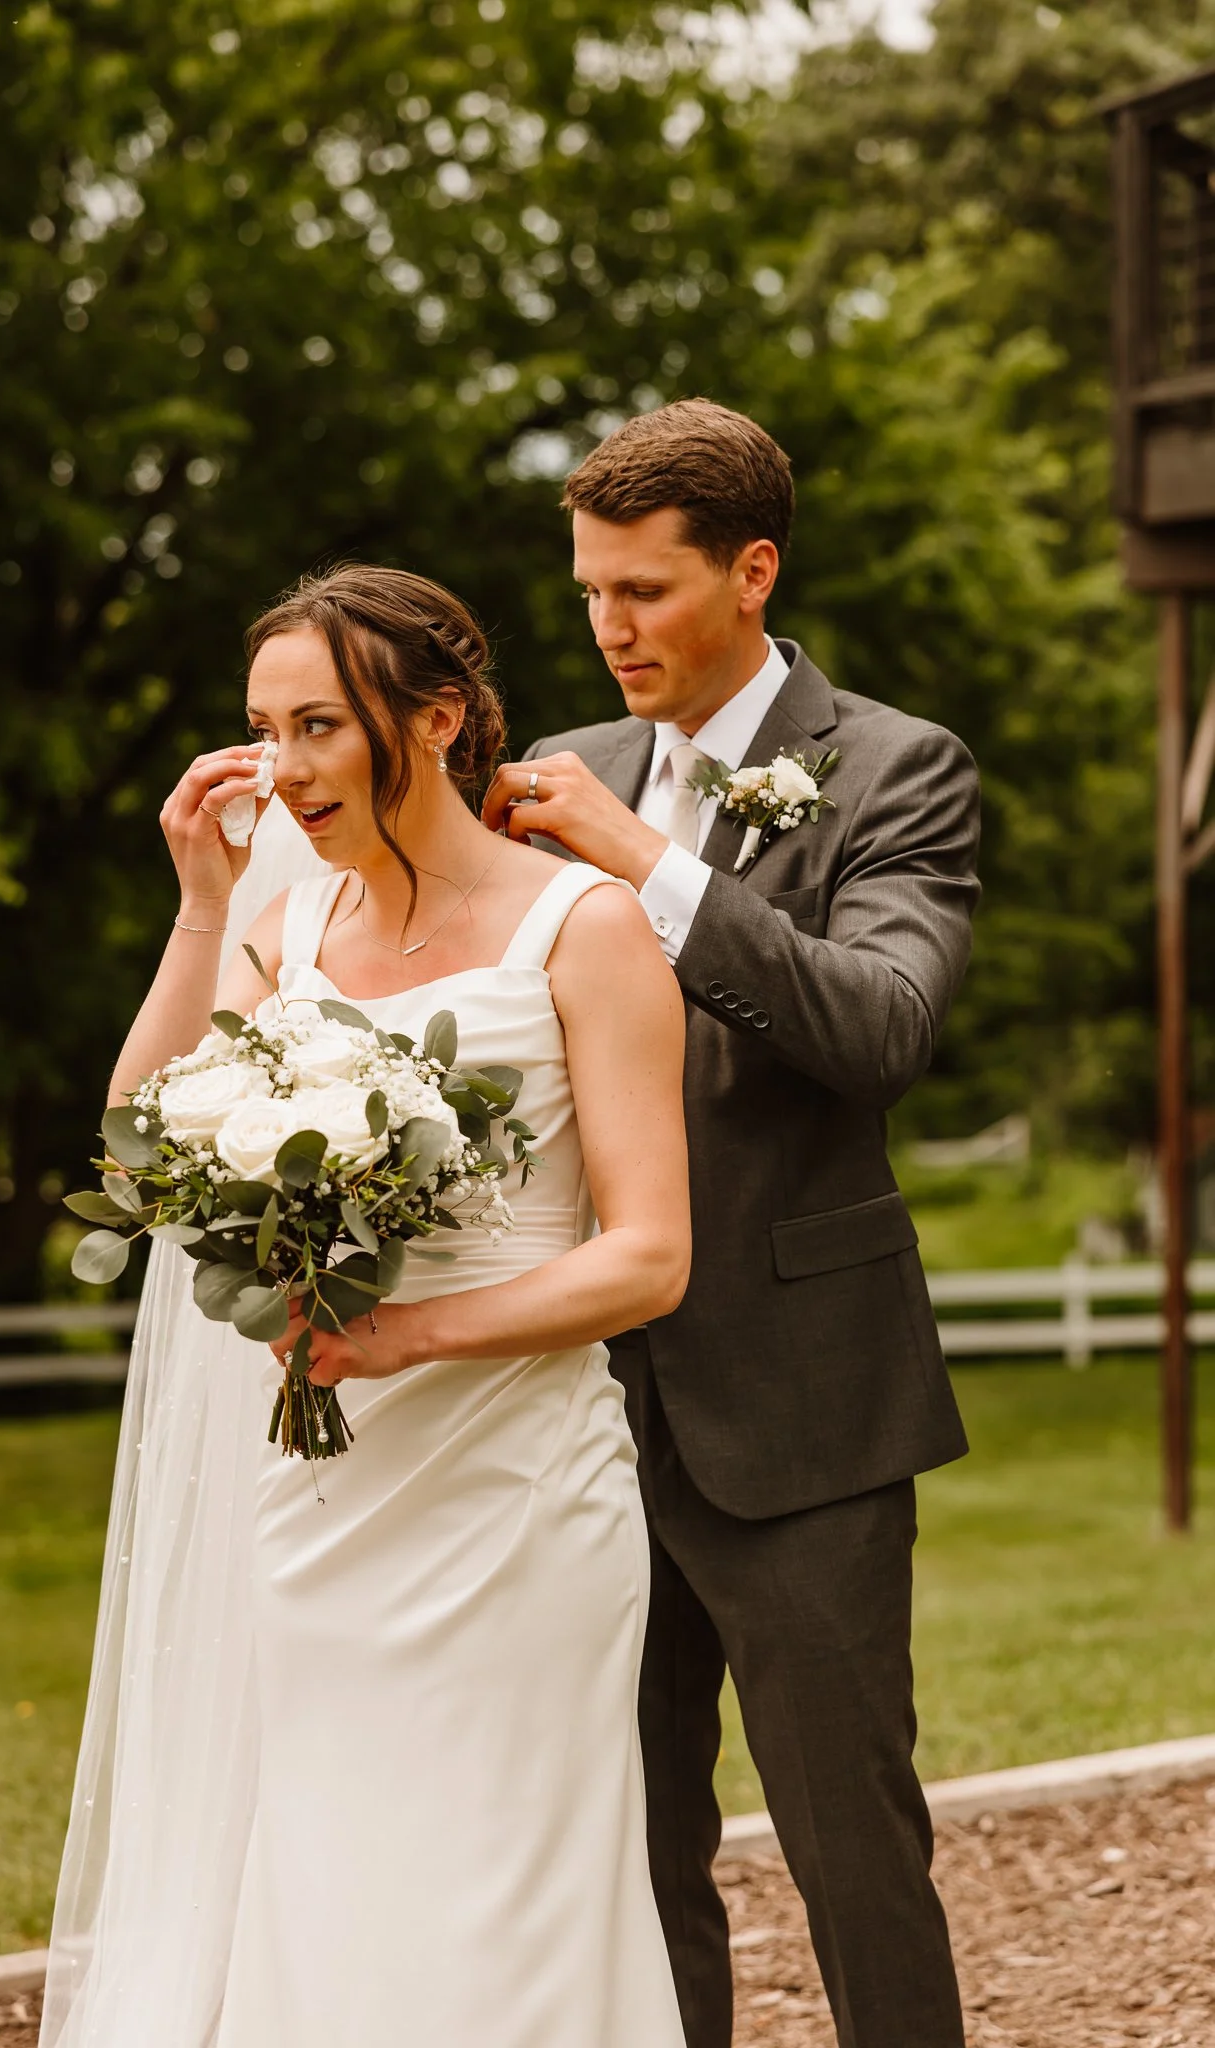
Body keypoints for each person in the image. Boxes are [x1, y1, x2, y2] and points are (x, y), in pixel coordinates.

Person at [41, 565, 691, 2048]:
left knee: (514, 1894)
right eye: (265, 730)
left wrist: (400, 1336)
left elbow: (650, 1258)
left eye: (322, 726)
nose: (284, 770)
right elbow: (141, 1135)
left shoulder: (584, 928)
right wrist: (205, 910)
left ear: (439, 719)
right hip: (327, 1508)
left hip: (520, 1503)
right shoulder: (293, 931)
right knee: (331, 1884)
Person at [482, 397, 980, 2048]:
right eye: (590, 596)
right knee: (625, 1853)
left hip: (807, 1402)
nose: (610, 631)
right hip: (581, 1409)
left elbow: (880, 1029)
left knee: (852, 1844)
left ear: (752, 572)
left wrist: (650, 866)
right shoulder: (556, 772)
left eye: (646, 592)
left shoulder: (897, 768)